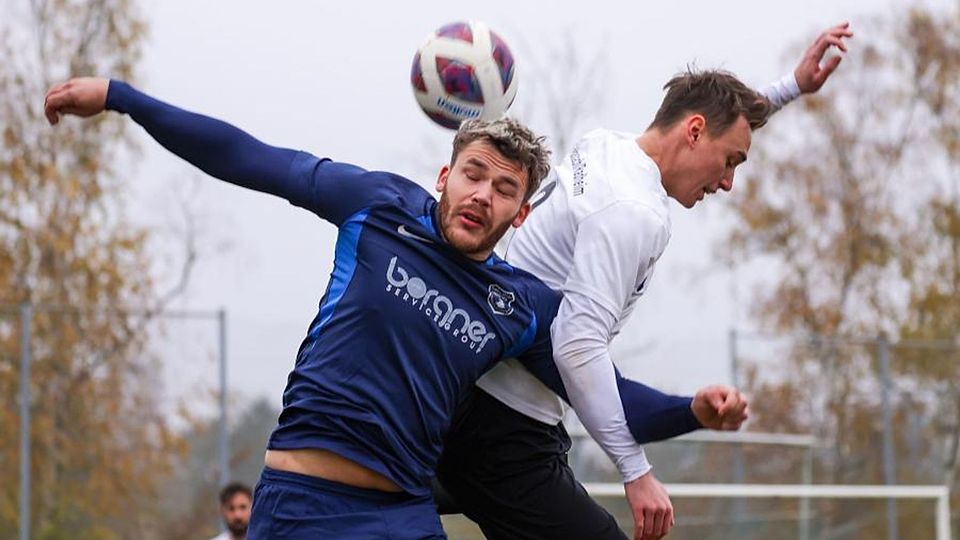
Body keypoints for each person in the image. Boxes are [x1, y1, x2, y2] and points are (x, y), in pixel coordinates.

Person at [42, 77, 733, 539]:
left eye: (503, 188)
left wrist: (690, 411)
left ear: (520, 215)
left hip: (397, 517)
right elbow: (247, 157)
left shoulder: (517, 306)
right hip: (296, 504)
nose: (482, 195)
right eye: (473, 173)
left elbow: (598, 386)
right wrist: (122, 97)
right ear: (444, 175)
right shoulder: (376, 207)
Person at [435, 22, 853, 540]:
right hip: (503, 432)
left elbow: (721, 116)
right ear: (694, 132)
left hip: (482, 402)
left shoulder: (607, 148)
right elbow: (576, 348)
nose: (727, 182)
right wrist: (636, 472)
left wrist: (790, 86)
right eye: (730, 162)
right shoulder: (631, 213)